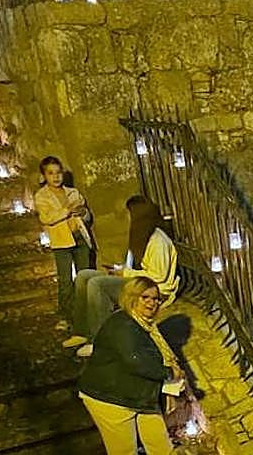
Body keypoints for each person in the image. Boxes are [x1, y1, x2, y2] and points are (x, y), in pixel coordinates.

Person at [78, 277, 184, 455]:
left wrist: (165, 390)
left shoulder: (144, 324)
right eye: (146, 297)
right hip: (109, 398)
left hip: (138, 392)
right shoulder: (123, 326)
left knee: (160, 444)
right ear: (132, 297)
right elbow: (137, 361)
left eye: (156, 299)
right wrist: (169, 373)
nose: (152, 303)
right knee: (124, 450)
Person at [65, 196, 179, 358]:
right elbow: (133, 267)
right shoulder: (140, 236)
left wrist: (125, 273)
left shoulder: (157, 241)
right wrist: (119, 269)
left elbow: (157, 276)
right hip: (139, 281)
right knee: (84, 276)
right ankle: (83, 331)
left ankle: (101, 342)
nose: (126, 217)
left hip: (154, 288)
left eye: (129, 214)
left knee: (97, 285)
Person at [34, 156, 94, 328]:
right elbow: (47, 218)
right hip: (61, 242)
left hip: (80, 237)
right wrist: (67, 210)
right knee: (65, 280)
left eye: (58, 172)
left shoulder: (73, 193)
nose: (56, 177)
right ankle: (65, 316)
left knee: (85, 276)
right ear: (44, 175)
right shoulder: (42, 196)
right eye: (51, 173)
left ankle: (87, 311)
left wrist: (83, 213)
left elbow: (86, 215)